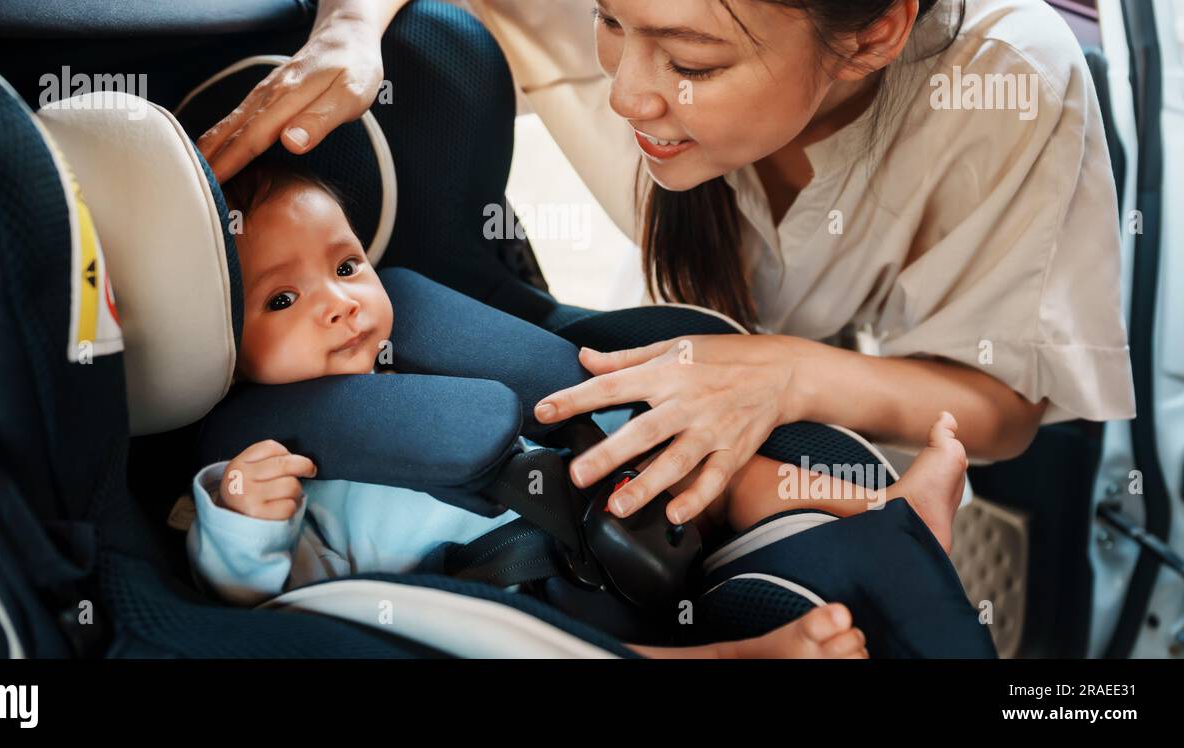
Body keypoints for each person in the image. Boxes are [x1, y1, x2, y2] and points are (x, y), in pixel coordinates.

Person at [195, 0, 1134, 532]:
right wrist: (349, 33)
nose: (628, 94)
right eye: (608, 20)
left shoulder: (1009, 85)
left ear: (875, 32)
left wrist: (786, 375)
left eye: (692, 64)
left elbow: (1005, 407)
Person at [184, 156, 974, 658]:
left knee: (713, 464)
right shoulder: (266, 463)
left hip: (616, 497)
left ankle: (879, 505)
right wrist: (246, 521)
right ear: (220, 341)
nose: (339, 303)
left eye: (348, 265)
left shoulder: (430, 343)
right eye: (283, 298)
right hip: (506, 601)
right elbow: (267, 600)